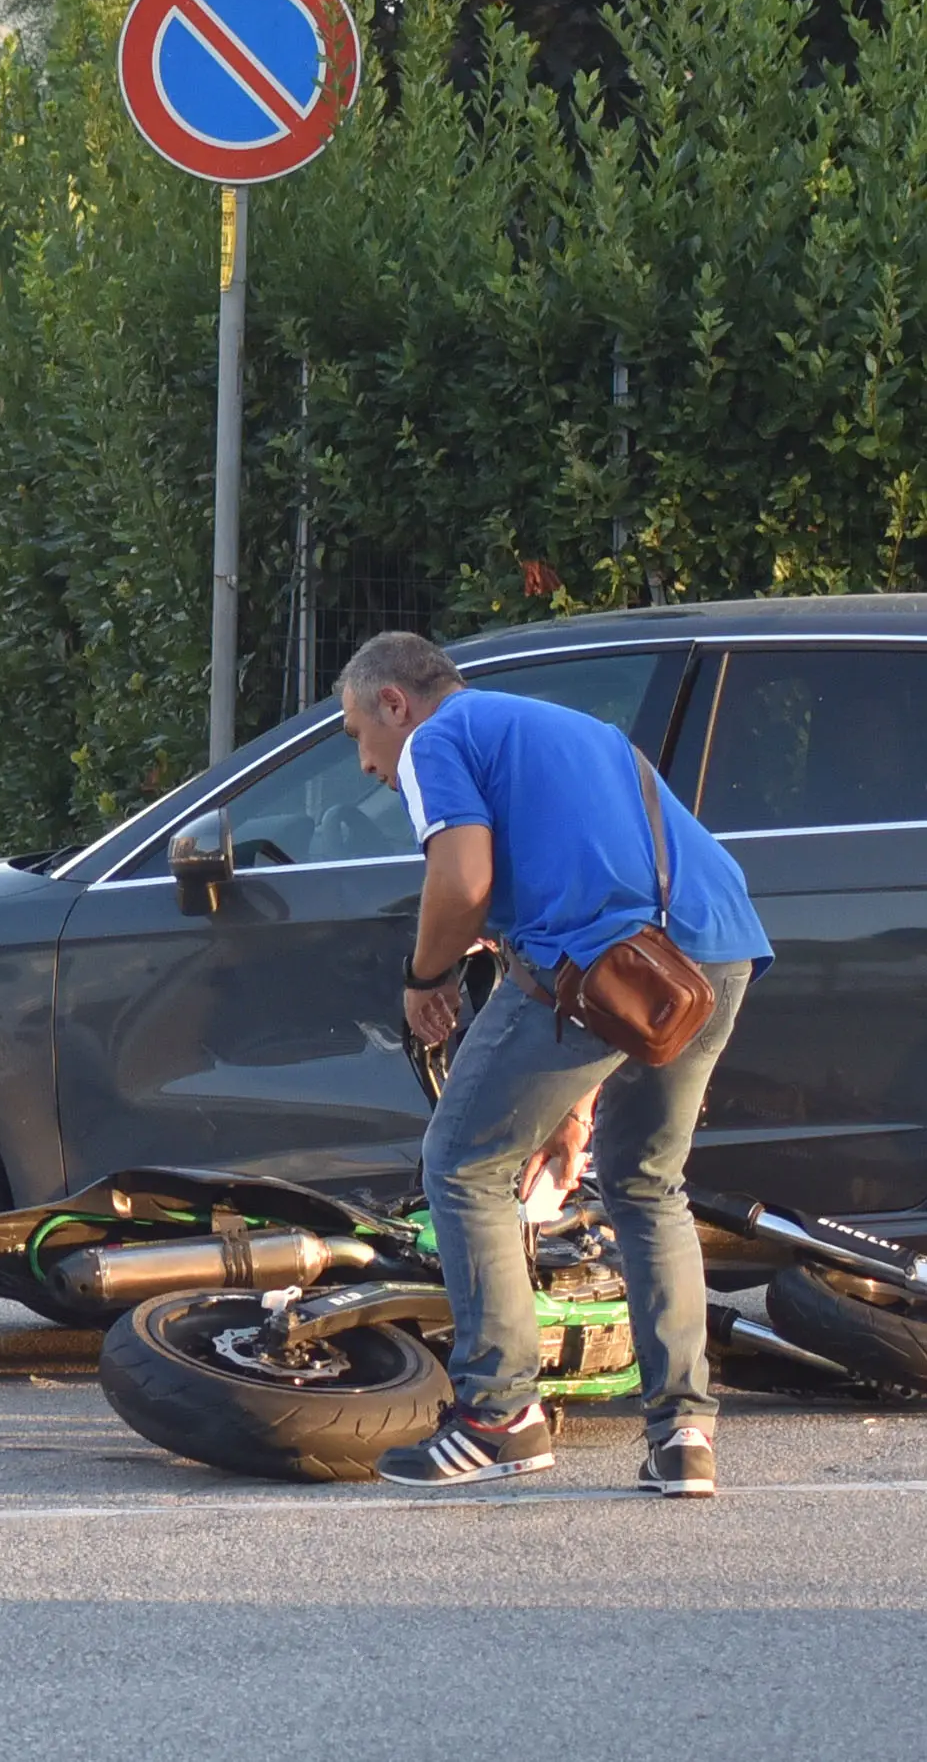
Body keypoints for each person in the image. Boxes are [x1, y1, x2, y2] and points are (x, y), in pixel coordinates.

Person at [339, 631, 769, 1496]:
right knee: (647, 1182)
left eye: (357, 733)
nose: (364, 763)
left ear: (396, 702)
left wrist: (422, 978)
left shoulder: (438, 738)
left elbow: (461, 882)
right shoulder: (557, 727)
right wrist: (571, 1111)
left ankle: (498, 1415)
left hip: (609, 957)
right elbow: (613, 909)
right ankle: (682, 1435)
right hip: (712, 952)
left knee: (461, 1164)